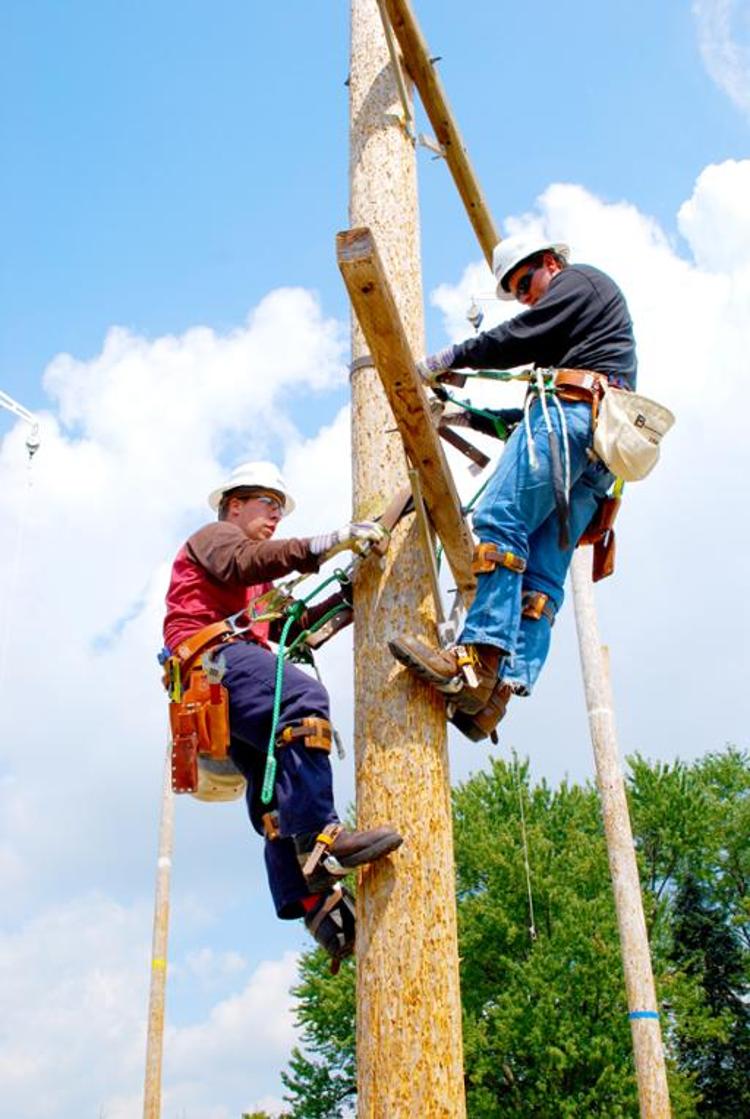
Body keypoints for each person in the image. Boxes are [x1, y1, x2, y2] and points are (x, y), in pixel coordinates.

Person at [389, 235, 637, 741]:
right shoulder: (585, 335)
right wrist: (467, 416)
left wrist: (447, 358)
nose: (526, 297)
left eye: (526, 283)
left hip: (571, 419)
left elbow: (515, 341)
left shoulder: (579, 281)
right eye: (517, 292)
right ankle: (495, 694)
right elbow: (530, 414)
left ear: (550, 263)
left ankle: (477, 656)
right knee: (542, 576)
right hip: (598, 449)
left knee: (500, 521)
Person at [163, 461, 403, 970]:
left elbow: (290, 628)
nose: (275, 516)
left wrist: (349, 592)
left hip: (223, 681)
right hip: (212, 664)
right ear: (235, 504)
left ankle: (313, 900)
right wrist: (326, 543)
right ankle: (324, 838)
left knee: (273, 790)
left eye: (279, 507)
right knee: (302, 701)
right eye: (267, 504)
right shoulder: (216, 539)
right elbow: (249, 564)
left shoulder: (251, 585)